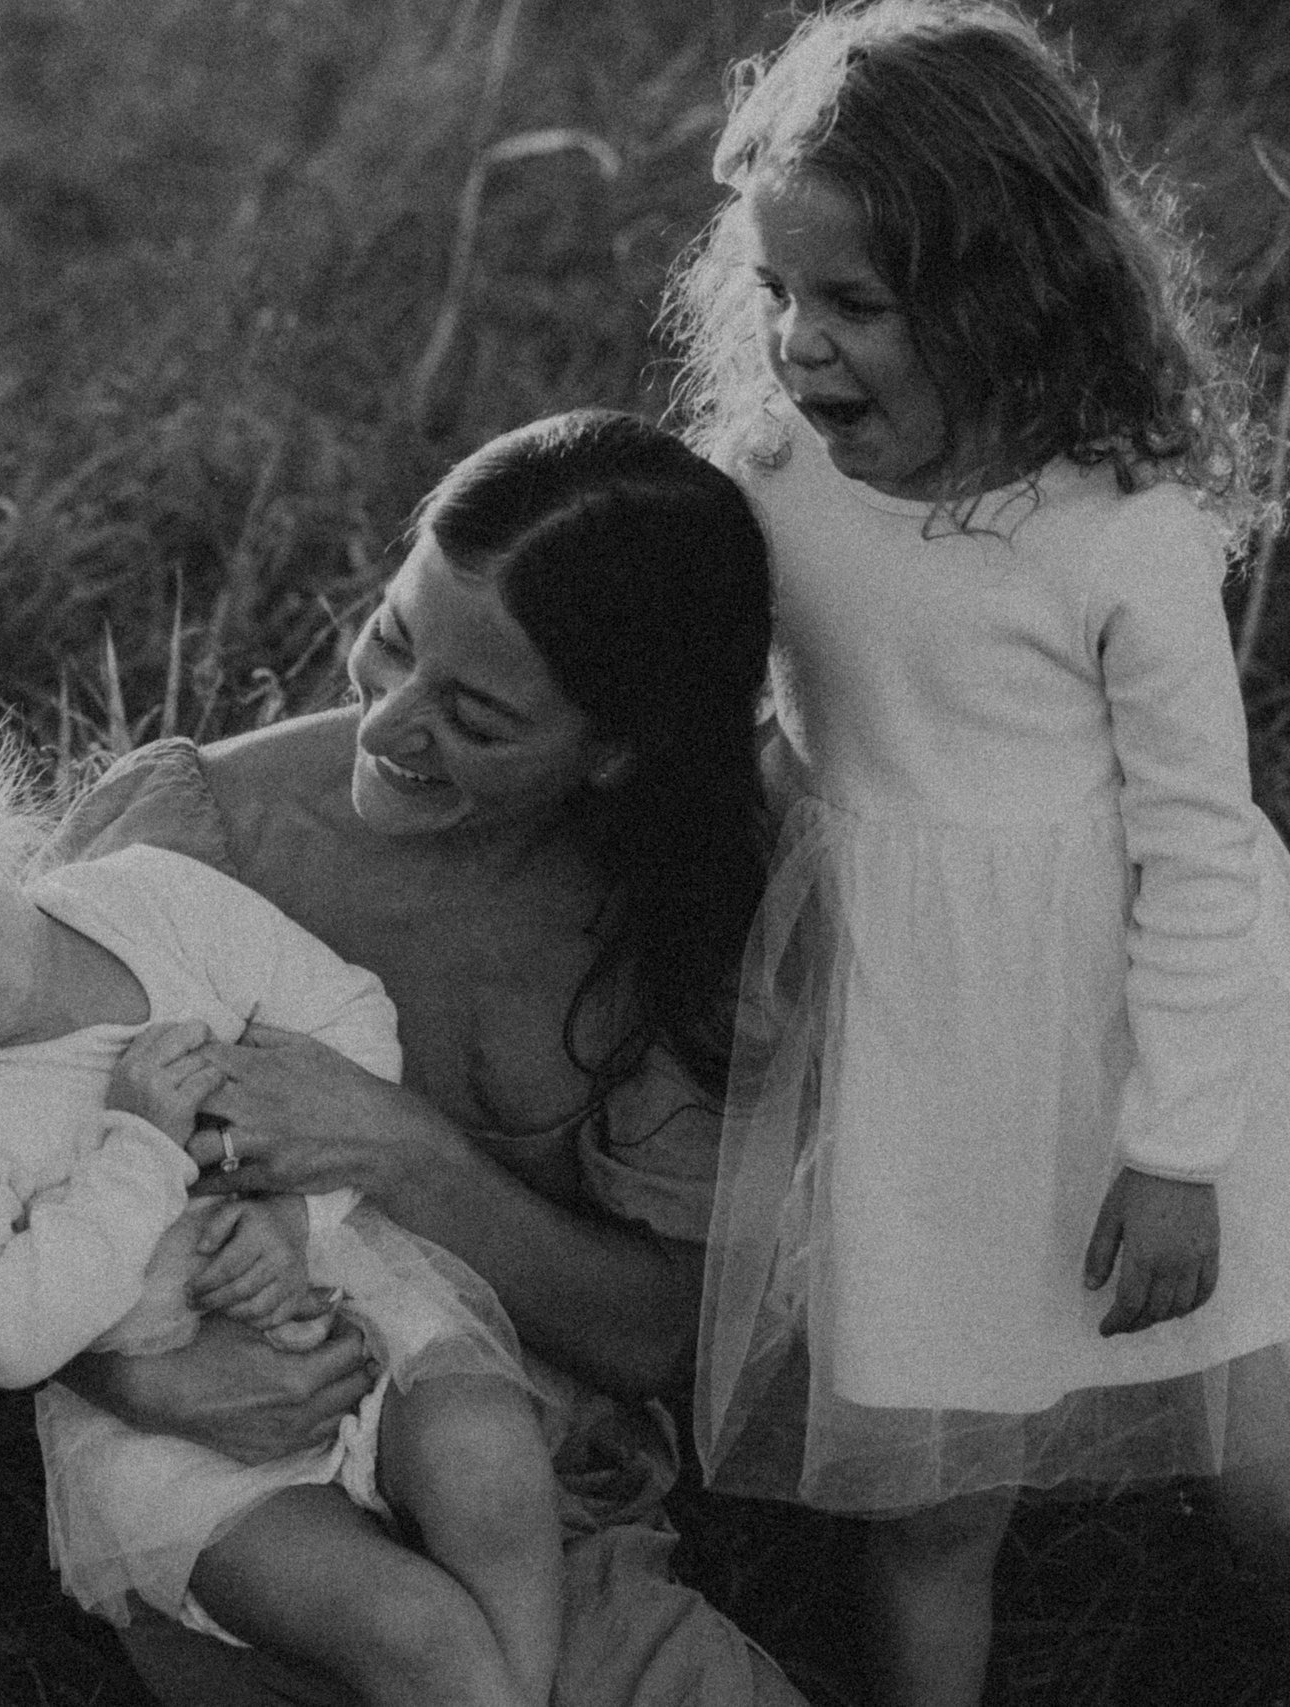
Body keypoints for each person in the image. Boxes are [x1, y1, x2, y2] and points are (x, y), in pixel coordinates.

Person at [663, 4, 1290, 1704]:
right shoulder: (772, 479)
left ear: (1007, 294)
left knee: (1279, 1486)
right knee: (928, 1509)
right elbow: (700, 694)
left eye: (853, 305)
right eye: (774, 293)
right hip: (918, 1049)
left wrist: (1178, 1149)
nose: (799, 345)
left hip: (1151, 1029)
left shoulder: (1118, 528)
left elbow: (1199, 848)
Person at [43, 409, 801, 1705]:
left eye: (479, 716)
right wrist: (150, 1377)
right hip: (247, 1495)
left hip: (540, 1513)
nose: (388, 723)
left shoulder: (671, 920)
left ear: (614, 751)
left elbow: (653, 1331)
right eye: (391, 639)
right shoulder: (188, 840)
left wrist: (399, 1147)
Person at [0, 667, 569, 1705]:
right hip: (175, 1442)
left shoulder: (150, 898)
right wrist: (137, 1154)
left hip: (356, 1302)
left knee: (488, 1462)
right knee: (409, 1631)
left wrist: (289, 1209)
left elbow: (352, 1021)